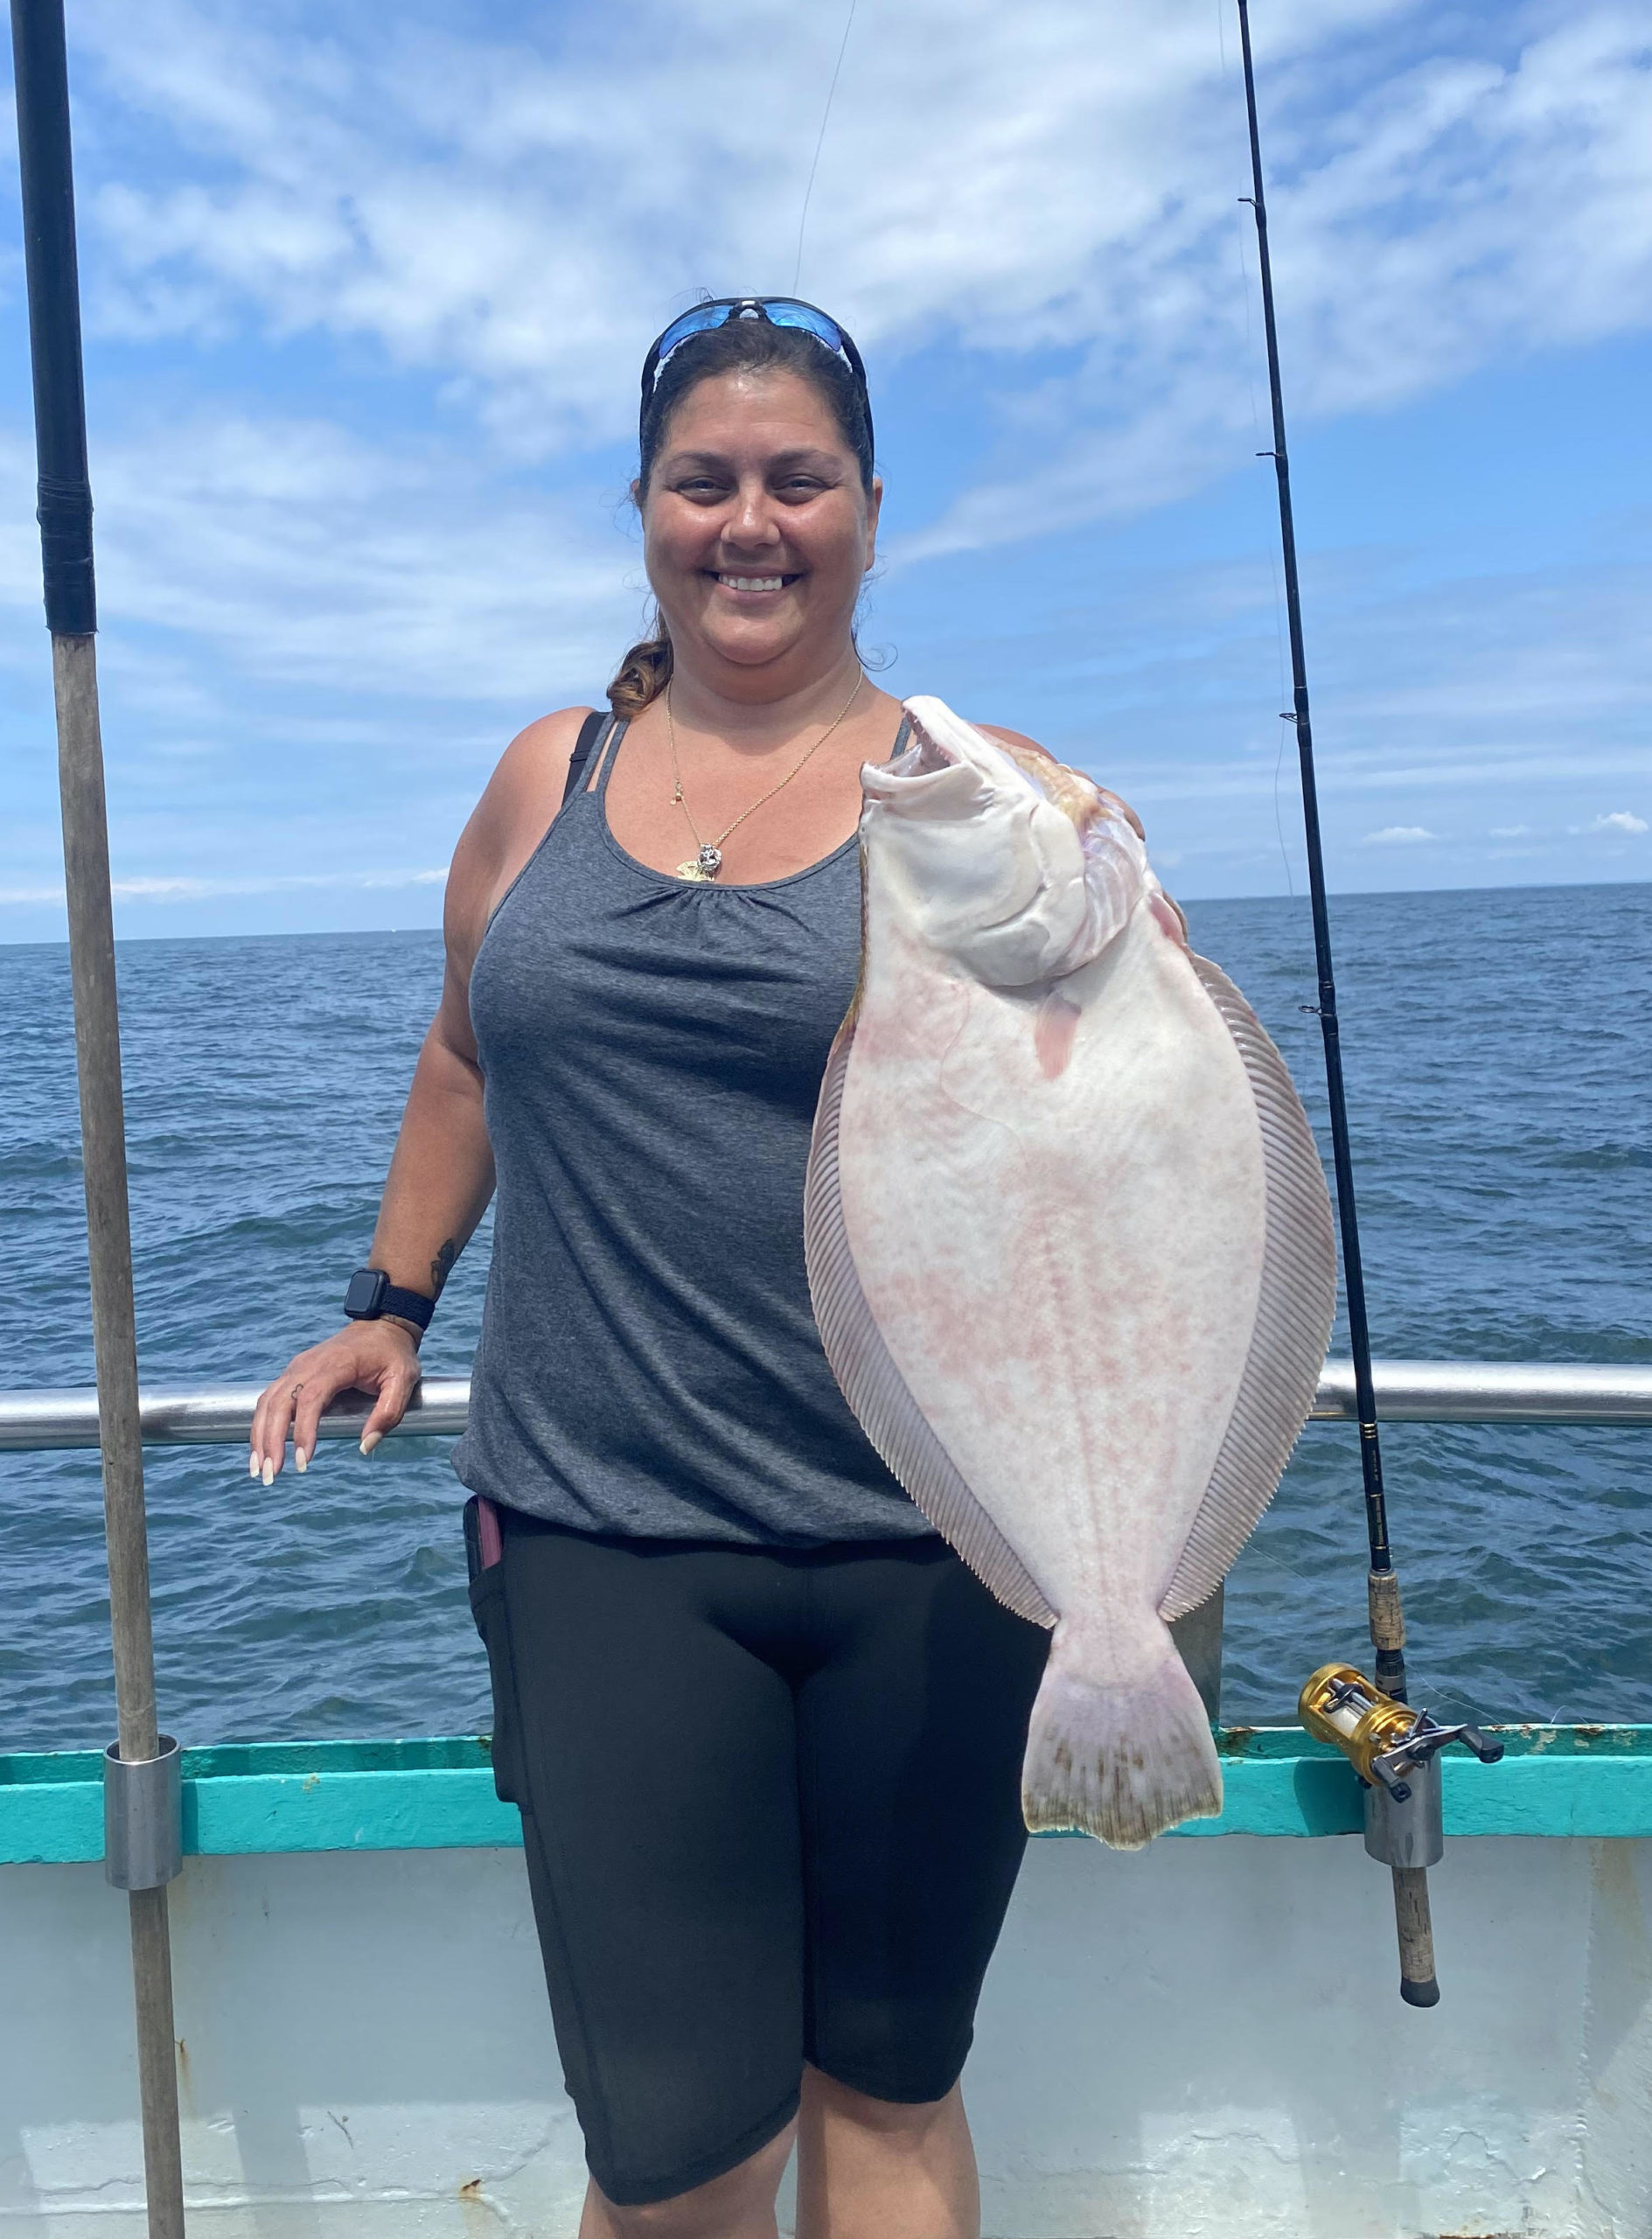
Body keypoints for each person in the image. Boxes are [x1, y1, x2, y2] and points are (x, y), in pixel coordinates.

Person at [252, 298, 1077, 2239]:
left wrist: (1116, 879)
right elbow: (463, 1051)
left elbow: (1139, 1088)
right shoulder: (550, 772)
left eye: (799, 479)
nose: (751, 521)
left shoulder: (982, 794)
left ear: (873, 507)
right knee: (681, 2140)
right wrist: (388, 1300)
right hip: (610, 1538)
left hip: (940, 1538)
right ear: (643, 508)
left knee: (888, 2087)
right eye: (705, 481)